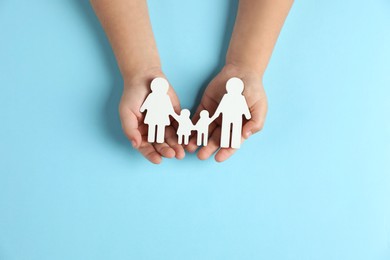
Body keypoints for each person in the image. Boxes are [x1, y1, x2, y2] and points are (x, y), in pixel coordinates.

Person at [90, 0, 294, 163]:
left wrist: (246, 67)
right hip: (161, 117)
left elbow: (222, 110)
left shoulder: (233, 100)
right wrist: (140, 71)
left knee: (224, 132)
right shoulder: (154, 98)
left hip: (209, 117)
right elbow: (219, 110)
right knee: (157, 130)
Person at [140, 77, 178, 144]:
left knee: (159, 127)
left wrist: (173, 114)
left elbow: (169, 107)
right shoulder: (154, 96)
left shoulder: (164, 97)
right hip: (157, 115)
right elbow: (147, 103)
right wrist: (142, 108)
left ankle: (158, 138)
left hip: (157, 115)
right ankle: (152, 138)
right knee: (155, 126)